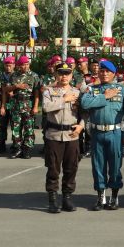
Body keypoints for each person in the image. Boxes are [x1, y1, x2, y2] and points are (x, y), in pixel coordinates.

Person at [80, 60, 124, 210]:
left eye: (107, 72)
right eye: (102, 71)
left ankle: (115, 196)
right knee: (98, 165)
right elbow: (84, 104)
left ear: (113, 74)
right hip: (97, 132)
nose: (104, 74)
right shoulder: (92, 89)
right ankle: (101, 197)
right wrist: (105, 96)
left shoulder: (121, 90)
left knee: (115, 165)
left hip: (114, 132)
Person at [42, 63, 84, 214]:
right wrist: (64, 100)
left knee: (71, 168)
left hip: (72, 135)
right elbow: (46, 107)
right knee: (53, 168)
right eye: (61, 73)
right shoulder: (49, 91)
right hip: (54, 134)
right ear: (56, 75)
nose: (64, 76)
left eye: (67, 73)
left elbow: (84, 113)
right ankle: (52, 199)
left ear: (72, 75)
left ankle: (67, 197)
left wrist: (81, 126)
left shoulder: (77, 92)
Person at [2, 55, 40, 159]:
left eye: (27, 64)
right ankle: (17, 148)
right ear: (18, 65)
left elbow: (36, 93)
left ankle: (26, 149)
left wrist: (36, 106)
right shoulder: (13, 75)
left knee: (29, 128)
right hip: (15, 105)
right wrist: (16, 86)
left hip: (28, 104)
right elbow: (6, 89)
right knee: (16, 128)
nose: (25, 66)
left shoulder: (34, 76)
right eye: (23, 65)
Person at [0, 55, 16, 155]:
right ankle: (1, 145)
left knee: (15, 125)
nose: (8, 67)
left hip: (15, 104)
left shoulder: (17, 75)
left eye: (10, 65)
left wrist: (14, 93)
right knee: (1, 125)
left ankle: (15, 145)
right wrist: (3, 106)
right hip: (2, 102)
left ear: (14, 65)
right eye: (6, 65)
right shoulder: (0, 75)